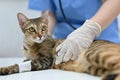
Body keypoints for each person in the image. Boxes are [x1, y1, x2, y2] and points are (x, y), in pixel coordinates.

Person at [28, 0, 120, 64]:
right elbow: (50, 14)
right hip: (63, 47)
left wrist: (91, 29)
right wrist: (44, 37)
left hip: (103, 42)